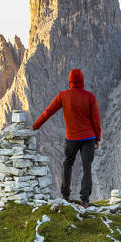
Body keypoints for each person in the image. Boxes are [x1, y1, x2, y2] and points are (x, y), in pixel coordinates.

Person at [31, 68, 101, 207]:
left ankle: (65, 195)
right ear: (82, 80)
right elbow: (96, 120)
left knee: (68, 163)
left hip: (72, 138)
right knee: (87, 166)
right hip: (89, 138)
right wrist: (97, 138)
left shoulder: (63, 95)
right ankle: (85, 200)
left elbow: (48, 112)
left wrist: (35, 126)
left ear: (69, 80)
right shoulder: (89, 97)